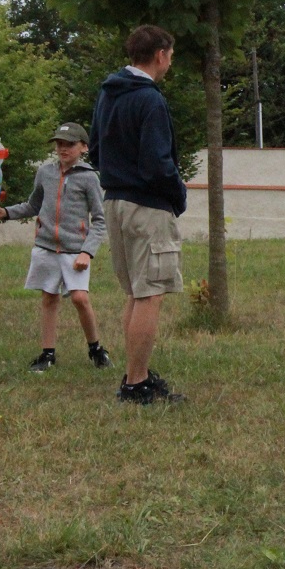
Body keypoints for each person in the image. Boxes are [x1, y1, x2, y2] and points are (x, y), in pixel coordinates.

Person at [88, 25, 189, 404]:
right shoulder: (150, 100)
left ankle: (136, 376)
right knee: (150, 294)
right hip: (147, 207)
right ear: (160, 54)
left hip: (114, 202)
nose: (170, 63)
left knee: (135, 291)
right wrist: (178, 195)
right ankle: (135, 385)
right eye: (170, 56)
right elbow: (157, 164)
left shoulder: (108, 94)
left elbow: (95, 151)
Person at [0, 122, 111, 373]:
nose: (63, 149)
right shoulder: (45, 172)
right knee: (49, 298)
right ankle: (48, 354)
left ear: (83, 147)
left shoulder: (89, 177)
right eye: (59, 144)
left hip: (75, 250)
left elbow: (100, 220)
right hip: (45, 246)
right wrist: (5, 213)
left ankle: (96, 349)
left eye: (70, 144)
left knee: (80, 298)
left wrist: (87, 252)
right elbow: (33, 205)